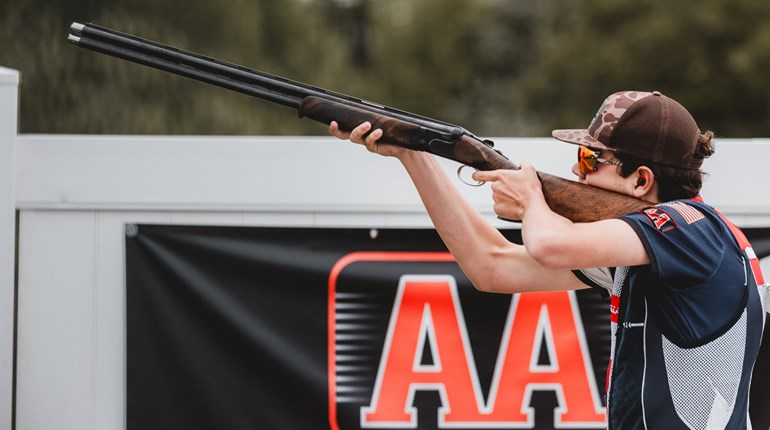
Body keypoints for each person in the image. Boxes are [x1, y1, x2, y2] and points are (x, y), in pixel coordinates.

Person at [329, 90, 767, 429]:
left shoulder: (689, 230)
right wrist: (414, 154)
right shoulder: (663, 251)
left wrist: (531, 201)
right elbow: (491, 265)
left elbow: (548, 246)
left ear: (641, 180)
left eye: (590, 159)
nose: (578, 173)